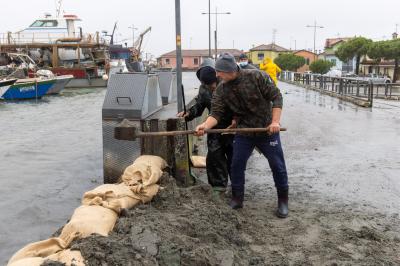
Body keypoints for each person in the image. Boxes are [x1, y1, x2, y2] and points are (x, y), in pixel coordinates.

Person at [195, 53, 289, 218]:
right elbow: (216, 113)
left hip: (266, 129)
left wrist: (275, 122)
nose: (217, 75)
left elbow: (276, 97)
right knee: (236, 165)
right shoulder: (221, 89)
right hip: (244, 131)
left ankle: (283, 200)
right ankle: (237, 199)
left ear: (231, 70)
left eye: (220, 72)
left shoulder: (256, 76)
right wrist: (205, 125)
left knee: (277, 165)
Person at [177, 58, 234, 195]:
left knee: (234, 157)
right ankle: (218, 187)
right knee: (215, 157)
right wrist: (189, 113)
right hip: (213, 126)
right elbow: (200, 105)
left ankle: (237, 186)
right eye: (208, 85)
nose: (212, 87)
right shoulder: (204, 89)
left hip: (233, 126)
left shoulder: (229, 84)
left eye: (213, 84)